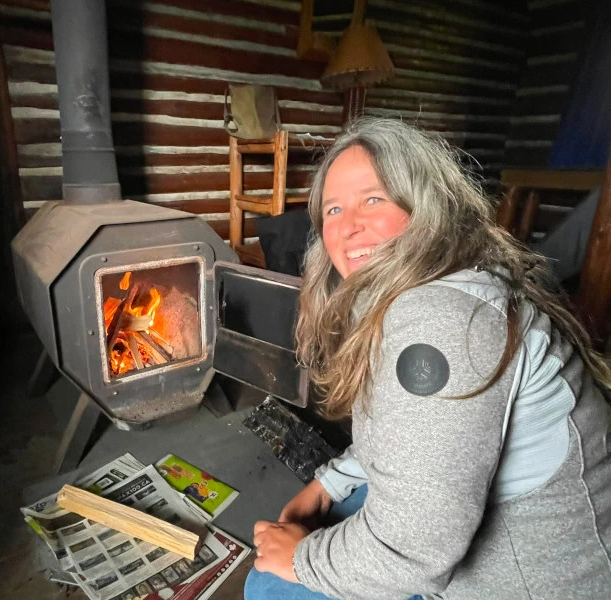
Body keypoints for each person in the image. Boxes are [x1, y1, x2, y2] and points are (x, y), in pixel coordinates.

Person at [244, 117, 611, 600]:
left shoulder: (441, 320)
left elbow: (413, 549)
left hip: (536, 582)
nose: (347, 226)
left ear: (427, 208)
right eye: (333, 209)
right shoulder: (409, 293)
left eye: (373, 199)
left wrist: (300, 559)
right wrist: (329, 484)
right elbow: (408, 438)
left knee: (269, 586)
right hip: (459, 533)